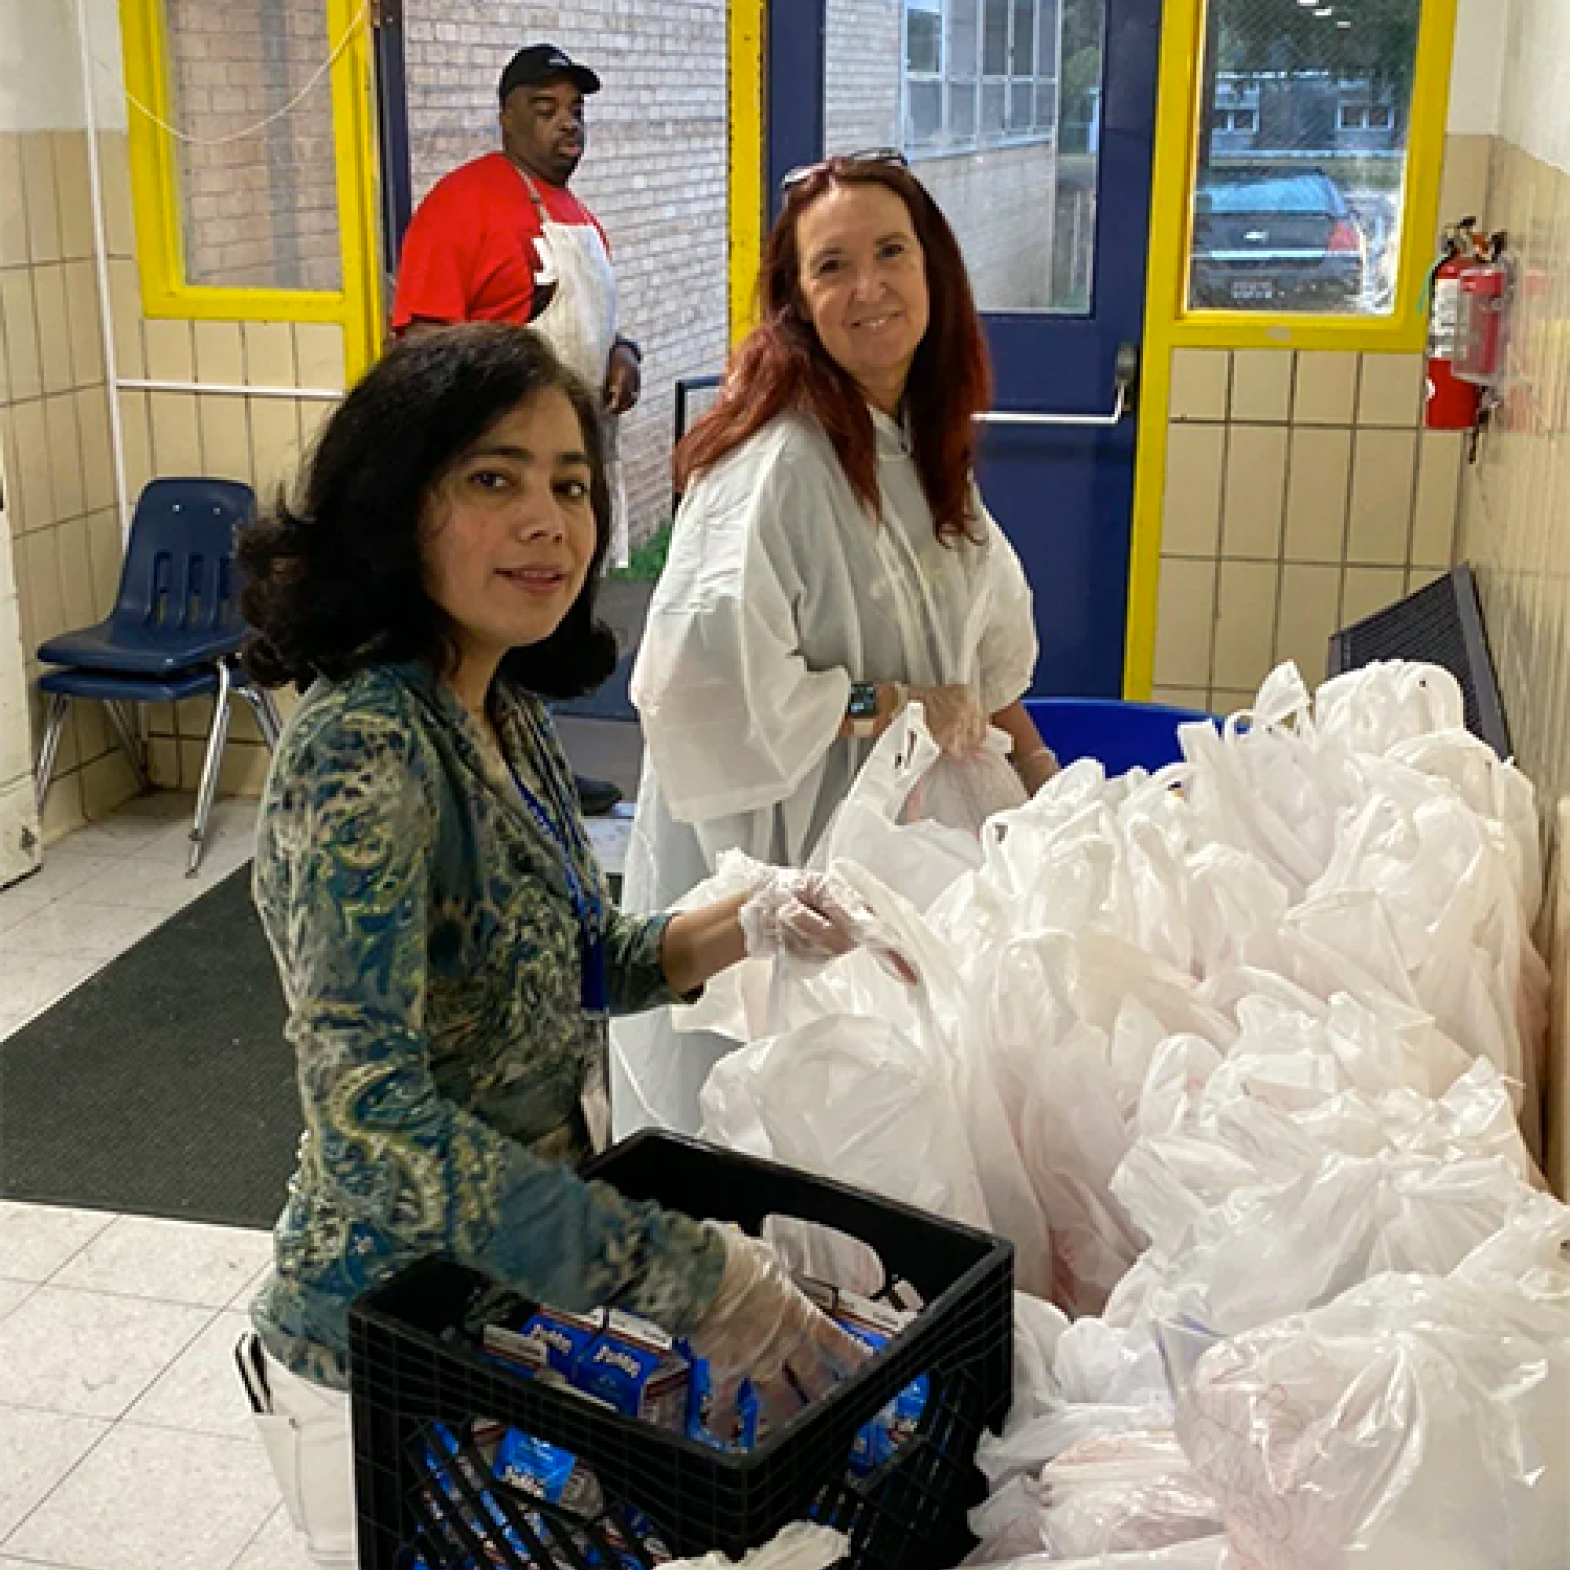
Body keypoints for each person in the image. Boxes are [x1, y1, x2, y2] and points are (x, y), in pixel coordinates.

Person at [232, 324, 876, 1569]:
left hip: (501, 1314)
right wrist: (687, 1276)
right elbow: (370, 1122)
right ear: (395, 503)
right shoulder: (365, 749)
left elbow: (573, 960)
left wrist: (737, 923)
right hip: (376, 1344)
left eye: (572, 485)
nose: (548, 522)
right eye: (493, 478)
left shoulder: (500, 706)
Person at [611, 151, 1056, 1138]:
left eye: (891, 252)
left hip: (905, 846)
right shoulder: (773, 465)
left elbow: (977, 655)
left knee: (902, 1132)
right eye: (832, 266)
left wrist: (1036, 772)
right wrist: (888, 704)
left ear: (933, 270)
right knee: (785, 1140)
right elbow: (698, 692)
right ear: (796, 301)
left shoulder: (921, 446)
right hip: (787, 870)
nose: (869, 288)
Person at [392, 41, 639, 816]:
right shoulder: (460, 204)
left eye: (575, 110)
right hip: (495, 474)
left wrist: (623, 355)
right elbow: (420, 347)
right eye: (545, 108)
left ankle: (538, 766)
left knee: (549, 619)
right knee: (489, 623)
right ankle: (481, 778)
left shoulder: (581, 219)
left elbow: (596, 328)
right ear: (506, 117)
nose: (567, 124)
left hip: (570, 461)